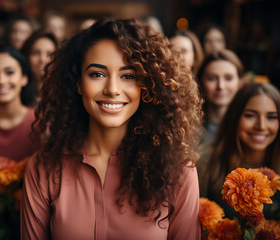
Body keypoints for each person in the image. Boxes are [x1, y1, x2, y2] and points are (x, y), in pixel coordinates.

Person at [21, 18, 202, 239]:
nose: (112, 89)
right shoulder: (44, 168)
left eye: (128, 76)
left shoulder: (179, 171)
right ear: (78, 83)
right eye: (97, 74)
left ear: (147, 85)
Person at [198, 82, 280, 219]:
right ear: (234, 118)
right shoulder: (205, 161)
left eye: (271, 117)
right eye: (250, 115)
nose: (261, 126)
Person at [197, 49, 243, 145]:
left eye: (228, 78)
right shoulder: (188, 127)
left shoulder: (247, 126)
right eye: (212, 78)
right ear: (200, 82)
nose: (220, 86)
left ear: (239, 82)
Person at [21, 31, 59, 106]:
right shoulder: (17, 91)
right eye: (35, 53)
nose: (42, 59)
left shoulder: (65, 92)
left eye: (49, 54)